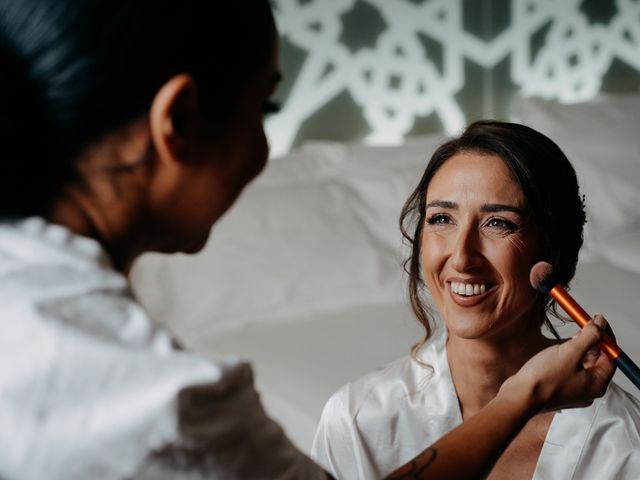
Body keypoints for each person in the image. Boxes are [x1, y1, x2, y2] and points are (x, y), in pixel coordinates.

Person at [0, 0, 615, 477]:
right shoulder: (161, 402)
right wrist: (527, 394)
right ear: (179, 121)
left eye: (499, 222)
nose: (267, 151)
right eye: (265, 110)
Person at [311, 120, 640, 479]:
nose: (462, 258)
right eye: (441, 218)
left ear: (553, 249)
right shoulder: (358, 421)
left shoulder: (624, 441)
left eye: (498, 223)